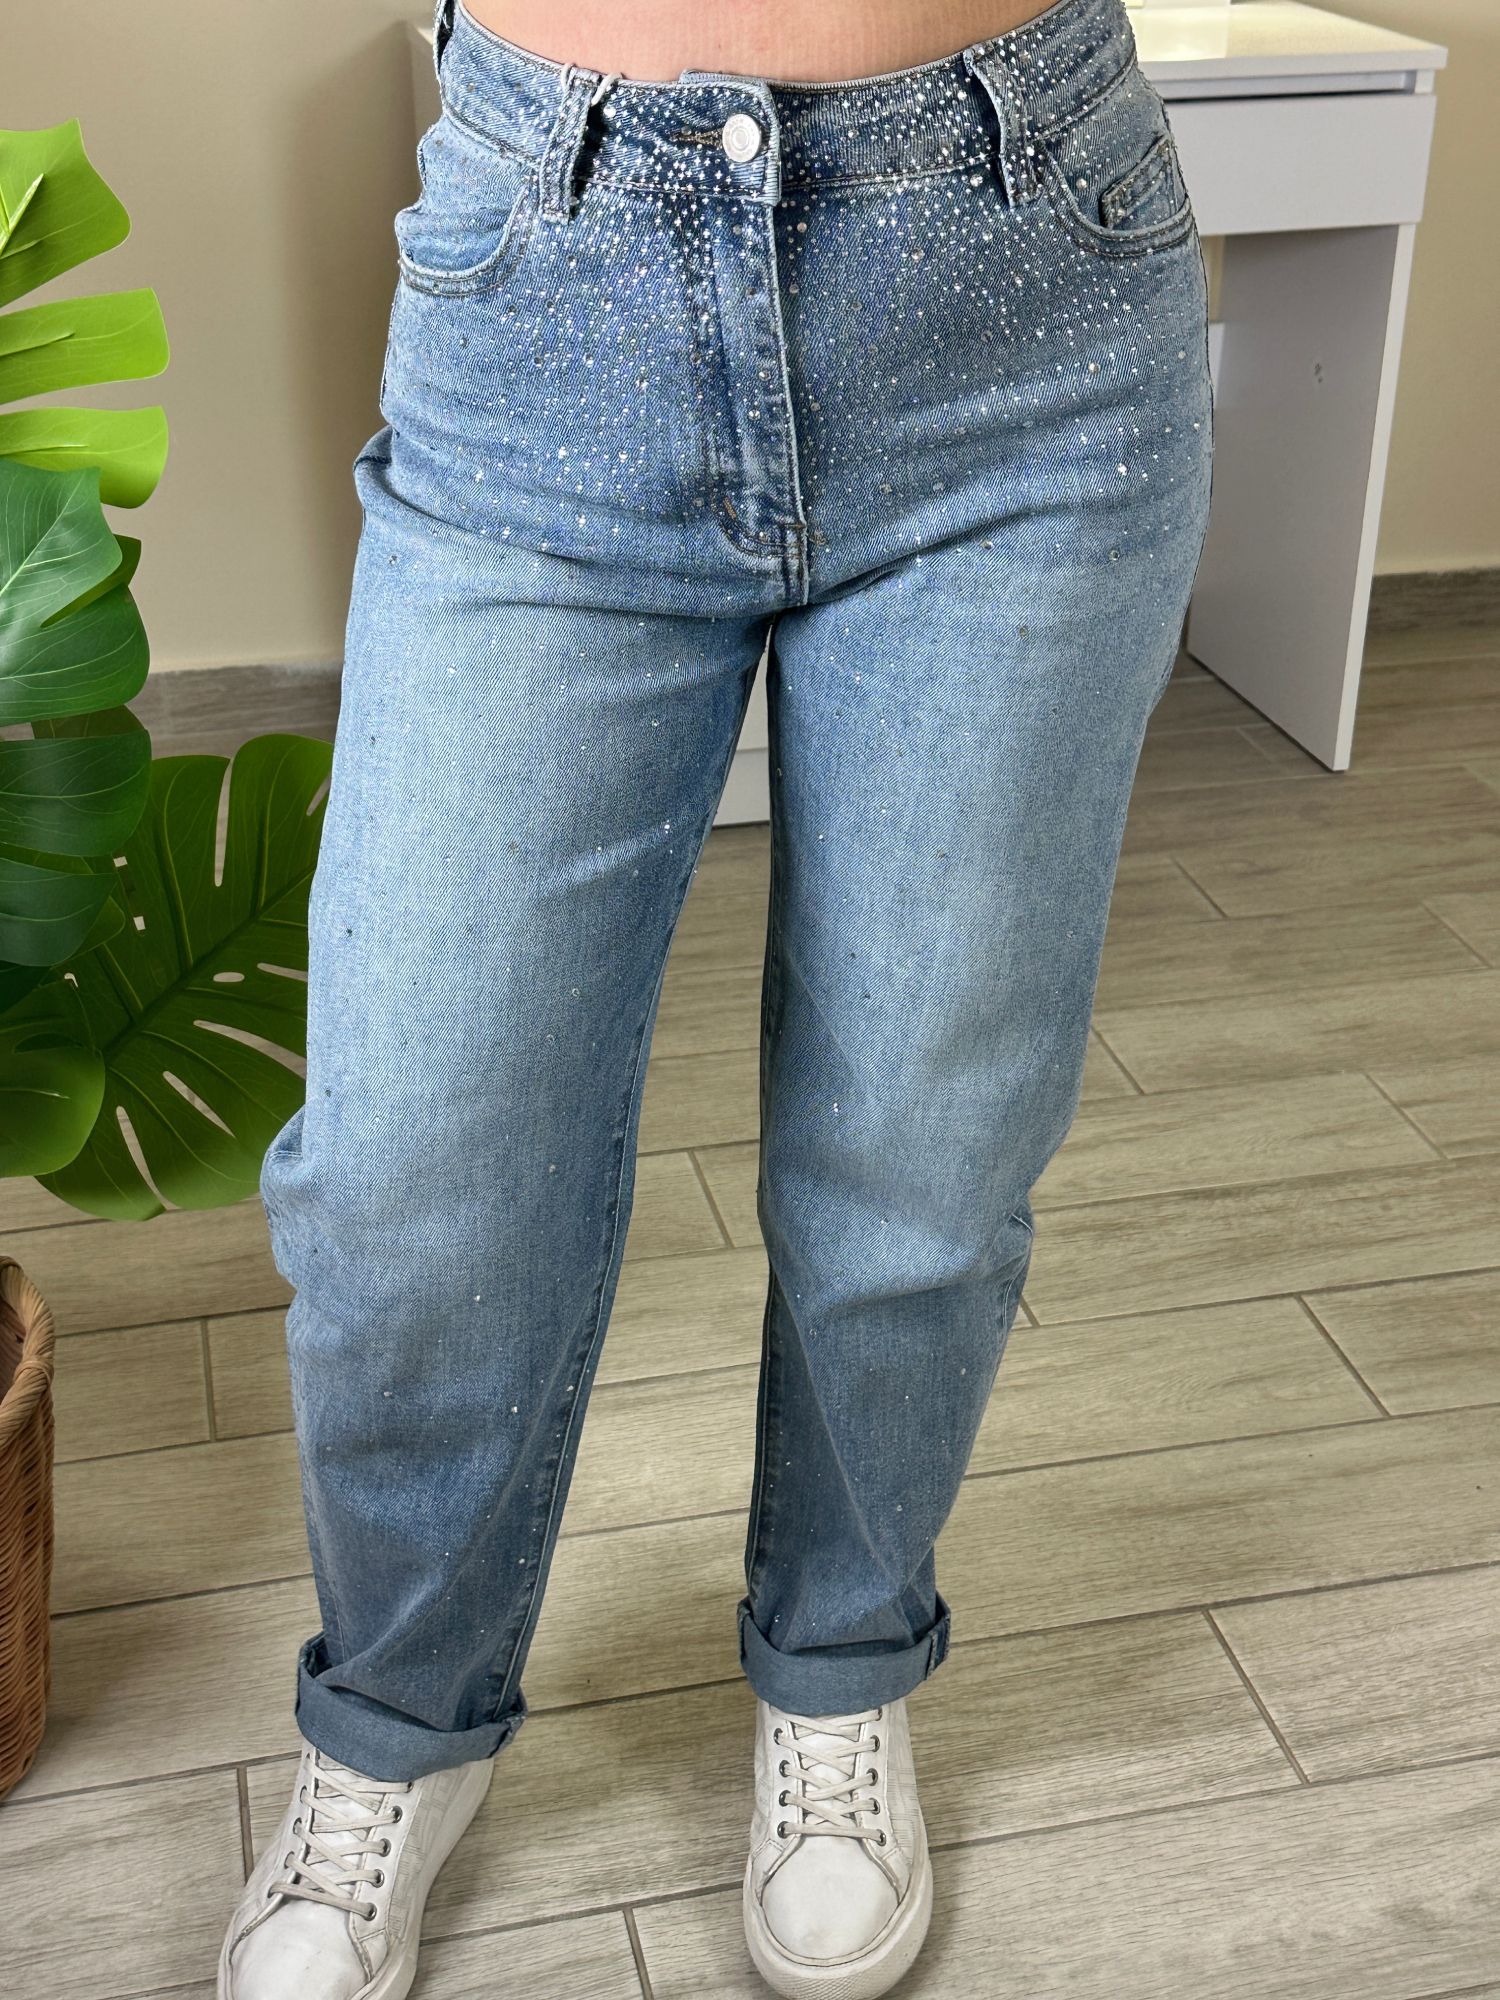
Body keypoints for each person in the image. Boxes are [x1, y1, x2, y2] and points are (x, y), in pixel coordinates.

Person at [217, 0, 1213, 1991]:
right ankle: (397, 1715)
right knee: (412, 1173)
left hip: (1024, 278)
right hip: (551, 273)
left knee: (922, 1150)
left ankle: (840, 1664)